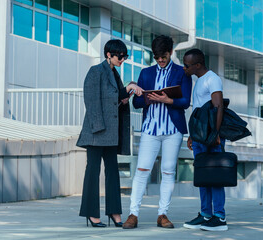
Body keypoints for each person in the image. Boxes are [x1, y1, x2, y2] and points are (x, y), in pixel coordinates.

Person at [122, 35, 192, 229]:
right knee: (142, 170)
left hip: (173, 130)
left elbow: (185, 101)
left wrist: (167, 101)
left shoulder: (181, 73)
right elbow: (136, 103)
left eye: (164, 56)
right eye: (157, 57)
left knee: (168, 172)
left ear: (170, 53)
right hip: (150, 129)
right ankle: (133, 214)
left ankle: (163, 214)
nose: (160, 60)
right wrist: (149, 99)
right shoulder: (146, 73)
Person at [76, 39, 143, 228]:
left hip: (112, 133)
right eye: (120, 56)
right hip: (97, 132)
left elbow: (113, 100)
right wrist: (98, 128)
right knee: (93, 172)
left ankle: (114, 212)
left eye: (124, 57)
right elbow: (91, 101)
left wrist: (124, 96)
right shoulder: (96, 72)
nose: (122, 59)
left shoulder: (114, 74)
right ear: (109, 55)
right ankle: (91, 213)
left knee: (113, 172)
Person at [182, 49, 228, 231]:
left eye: (187, 65)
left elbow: (218, 106)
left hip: (211, 136)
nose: (184, 68)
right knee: (203, 176)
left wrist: (216, 134)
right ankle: (206, 214)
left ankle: (219, 217)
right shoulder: (199, 81)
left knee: (215, 176)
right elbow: (198, 112)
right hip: (200, 136)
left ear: (198, 65)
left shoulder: (212, 79)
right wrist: (192, 135)